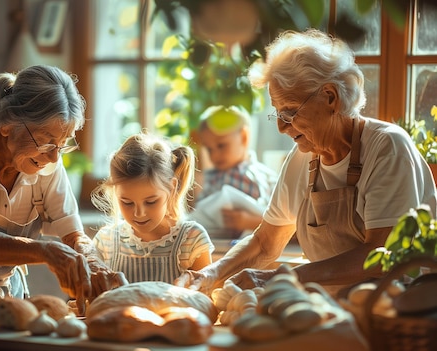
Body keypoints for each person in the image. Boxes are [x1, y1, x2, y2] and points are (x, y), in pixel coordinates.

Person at [174, 28, 437, 298]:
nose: (280, 127)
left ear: (330, 98)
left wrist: (278, 277)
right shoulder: (303, 158)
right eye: (276, 113)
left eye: (289, 112)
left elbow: (380, 256)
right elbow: (266, 243)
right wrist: (212, 273)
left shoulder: (388, 148)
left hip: (400, 310)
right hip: (335, 309)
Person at [0, 65, 126, 314]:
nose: (53, 157)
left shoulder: (47, 161)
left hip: (9, 296)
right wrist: (42, 250)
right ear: (7, 124)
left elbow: (73, 236)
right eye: (46, 141)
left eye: (62, 145)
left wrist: (91, 263)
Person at [90, 132, 215, 284]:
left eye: (151, 202)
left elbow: (202, 300)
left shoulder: (192, 240)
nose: (139, 213)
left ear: (172, 187)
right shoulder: (105, 241)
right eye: (127, 202)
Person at [195, 104, 278, 238]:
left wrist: (247, 221)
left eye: (221, 145)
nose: (214, 156)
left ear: (244, 137)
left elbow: (281, 221)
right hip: (217, 243)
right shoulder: (211, 177)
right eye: (209, 149)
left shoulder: (261, 176)